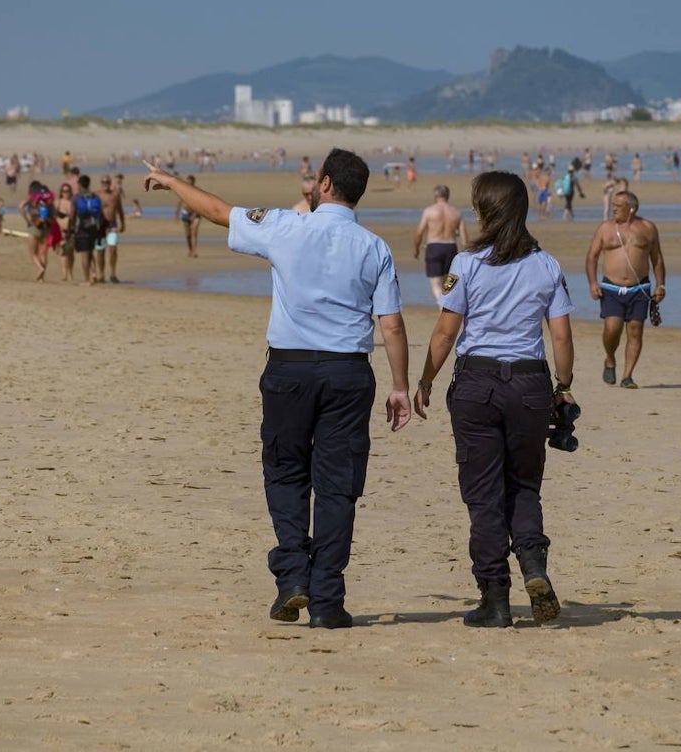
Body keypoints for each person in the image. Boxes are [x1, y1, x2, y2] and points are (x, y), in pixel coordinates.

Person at [142, 148, 412, 629]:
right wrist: (400, 387)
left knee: (286, 473)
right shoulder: (374, 246)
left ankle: (293, 579)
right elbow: (390, 325)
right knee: (337, 487)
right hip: (348, 372)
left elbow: (218, 212)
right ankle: (326, 600)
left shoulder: (286, 226)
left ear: (325, 184)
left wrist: (170, 182)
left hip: (290, 370)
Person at [413, 171, 575, 628]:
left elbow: (447, 331)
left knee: (483, 494)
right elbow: (560, 336)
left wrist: (424, 379)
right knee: (524, 484)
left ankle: (495, 598)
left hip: (477, 385)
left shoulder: (465, 266)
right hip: (528, 385)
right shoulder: (546, 265)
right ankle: (534, 565)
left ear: (486, 212)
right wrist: (563, 386)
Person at [584, 190, 666, 389]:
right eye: (613, 205)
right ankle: (610, 358)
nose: (613, 209)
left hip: (640, 288)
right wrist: (593, 283)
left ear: (631, 209)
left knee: (635, 331)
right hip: (611, 287)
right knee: (612, 328)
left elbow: (657, 259)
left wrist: (660, 285)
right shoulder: (605, 228)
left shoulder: (647, 228)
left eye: (617, 206)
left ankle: (627, 376)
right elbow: (592, 257)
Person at [414, 184, 469, 301]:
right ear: (448, 196)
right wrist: (465, 255)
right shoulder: (456, 213)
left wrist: (417, 249)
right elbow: (464, 238)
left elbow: (419, 232)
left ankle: (442, 307)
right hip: (451, 248)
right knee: (448, 283)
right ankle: (447, 307)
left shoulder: (429, 211)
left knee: (435, 283)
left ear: (435, 196)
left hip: (434, 247)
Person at [71, 175, 104, 284]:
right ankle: (93, 273)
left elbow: (72, 215)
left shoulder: (76, 197)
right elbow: (100, 214)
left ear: (79, 184)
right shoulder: (95, 196)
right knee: (90, 251)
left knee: (84, 254)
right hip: (94, 227)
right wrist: (100, 229)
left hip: (82, 227)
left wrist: (71, 229)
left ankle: (86, 279)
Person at [96, 175, 126, 283]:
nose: (105, 184)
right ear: (101, 183)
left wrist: (123, 223)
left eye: (107, 182)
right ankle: (101, 275)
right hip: (100, 225)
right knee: (100, 250)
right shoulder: (97, 195)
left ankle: (113, 274)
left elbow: (120, 210)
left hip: (112, 224)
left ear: (110, 183)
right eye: (103, 182)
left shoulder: (115, 195)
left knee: (113, 249)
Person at [175, 174, 202, 257]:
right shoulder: (183, 191)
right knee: (187, 235)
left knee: (194, 234)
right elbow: (180, 202)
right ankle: (190, 250)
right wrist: (177, 213)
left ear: (193, 182)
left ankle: (194, 251)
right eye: (187, 182)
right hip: (185, 213)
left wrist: (194, 214)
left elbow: (200, 204)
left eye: (190, 182)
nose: (188, 183)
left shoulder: (197, 191)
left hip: (196, 214)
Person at [55, 183, 75, 282]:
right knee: (63, 252)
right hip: (61, 231)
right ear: (61, 192)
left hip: (71, 231)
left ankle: (70, 273)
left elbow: (75, 219)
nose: (65, 193)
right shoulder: (58, 203)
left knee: (70, 253)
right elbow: (54, 217)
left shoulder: (73, 203)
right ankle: (64, 274)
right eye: (64, 191)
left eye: (67, 191)